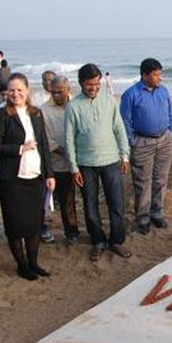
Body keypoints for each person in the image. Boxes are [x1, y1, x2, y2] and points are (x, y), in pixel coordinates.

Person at [0, 73, 55, 280]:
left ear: (28, 91)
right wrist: (20, 148)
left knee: (34, 224)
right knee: (15, 226)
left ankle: (33, 263)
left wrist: (49, 174)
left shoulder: (35, 113)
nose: (15, 93)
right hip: (12, 180)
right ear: (6, 92)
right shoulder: (1, 115)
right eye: (12, 90)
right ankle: (22, 265)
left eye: (20, 90)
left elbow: (43, 144)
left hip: (34, 177)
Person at [65, 63, 131, 261]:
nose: (93, 87)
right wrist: (73, 168)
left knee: (116, 203)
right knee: (90, 205)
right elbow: (69, 139)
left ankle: (116, 241)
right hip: (85, 164)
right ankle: (99, 242)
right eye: (89, 84)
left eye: (96, 83)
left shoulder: (109, 100)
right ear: (81, 84)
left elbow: (119, 129)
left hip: (111, 160)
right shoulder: (73, 106)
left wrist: (124, 155)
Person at [119, 58, 172, 235]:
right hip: (142, 143)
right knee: (143, 181)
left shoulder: (163, 91)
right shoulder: (131, 94)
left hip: (164, 140)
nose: (160, 78)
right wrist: (133, 141)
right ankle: (143, 217)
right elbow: (125, 121)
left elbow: (171, 112)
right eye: (156, 74)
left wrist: (171, 132)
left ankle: (157, 213)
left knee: (161, 178)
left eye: (160, 74)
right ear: (145, 75)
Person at [40, 75, 79, 244]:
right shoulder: (43, 110)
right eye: (53, 92)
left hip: (76, 161)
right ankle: (46, 230)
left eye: (60, 92)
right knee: (52, 199)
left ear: (68, 90)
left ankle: (73, 232)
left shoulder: (76, 105)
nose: (56, 95)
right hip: (55, 161)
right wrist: (64, 151)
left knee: (70, 199)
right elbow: (45, 137)